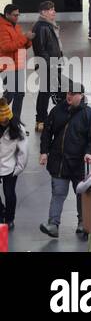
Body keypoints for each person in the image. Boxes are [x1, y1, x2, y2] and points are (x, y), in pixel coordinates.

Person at [39, 86, 91, 240]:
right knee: (58, 193)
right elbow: (47, 132)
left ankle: (83, 223)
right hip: (59, 162)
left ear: (81, 95)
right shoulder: (57, 111)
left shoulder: (88, 114)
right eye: (68, 93)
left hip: (79, 164)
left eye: (73, 93)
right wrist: (44, 152)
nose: (69, 96)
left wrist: (89, 152)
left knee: (81, 194)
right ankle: (53, 224)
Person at [30, 2, 64, 133]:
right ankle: (41, 120)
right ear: (43, 12)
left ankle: (50, 118)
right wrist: (50, 65)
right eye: (50, 10)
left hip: (54, 63)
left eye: (54, 9)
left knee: (52, 90)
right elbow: (40, 49)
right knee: (45, 93)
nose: (53, 11)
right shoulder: (41, 27)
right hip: (48, 65)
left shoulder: (49, 25)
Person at [0, 5, 31, 126]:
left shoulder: (16, 27)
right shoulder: (2, 28)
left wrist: (28, 40)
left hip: (19, 66)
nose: (17, 17)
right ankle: (3, 118)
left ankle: (15, 122)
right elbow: (7, 47)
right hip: (8, 67)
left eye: (18, 14)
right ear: (7, 14)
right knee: (10, 95)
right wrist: (24, 38)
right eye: (15, 15)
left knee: (20, 94)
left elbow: (21, 45)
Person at [0, 98, 26, 231]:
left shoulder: (17, 129)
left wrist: (18, 168)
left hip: (10, 166)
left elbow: (23, 151)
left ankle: (10, 218)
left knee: (9, 193)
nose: (4, 123)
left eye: (6, 121)